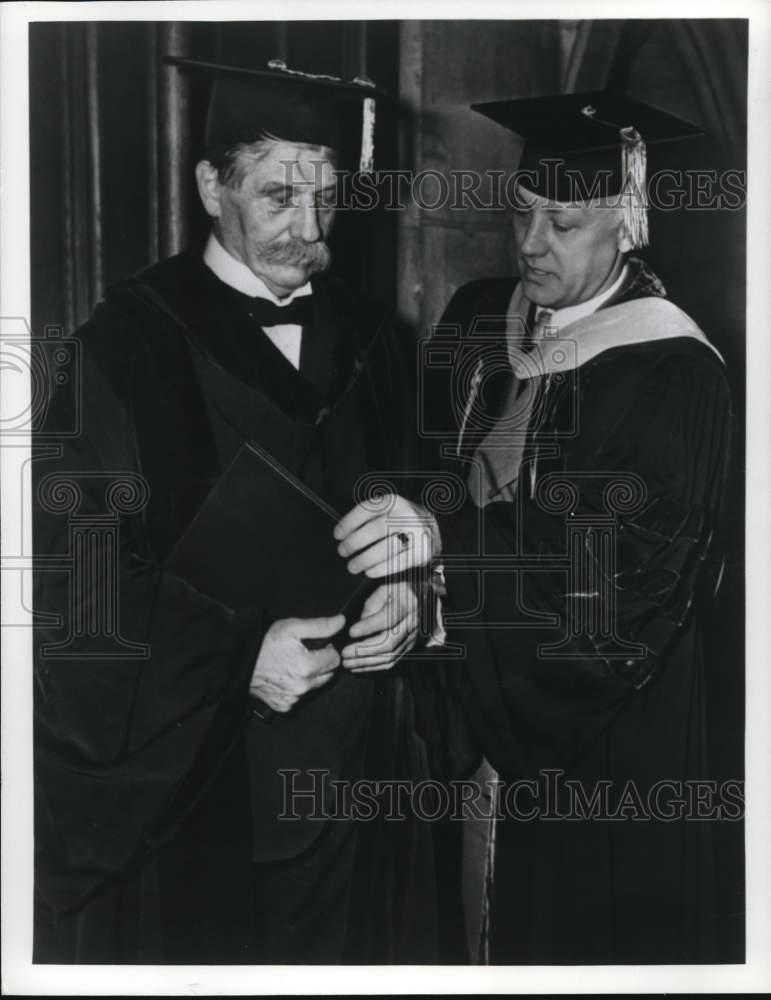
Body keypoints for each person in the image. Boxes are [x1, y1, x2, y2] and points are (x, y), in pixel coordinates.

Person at [32, 58, 438, 964]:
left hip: (359, 786)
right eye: (276, 196)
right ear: (209, 185)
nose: (307, 228)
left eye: (327, 197)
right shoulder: (127, 348)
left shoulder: (379, 345)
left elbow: (424, 507)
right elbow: (77, 585)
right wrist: (237, 659)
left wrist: (420, 589)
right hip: (200, 786)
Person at [335, 91, 735, 964]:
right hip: (469, 688)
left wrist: (443, 550)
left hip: (599, 736)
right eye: (521, 214)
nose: (529, 244)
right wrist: (408, 575)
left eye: (563, 223)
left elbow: (616, 577)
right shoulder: (482, 320)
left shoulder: (672, 372)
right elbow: (426, 473)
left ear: (627, 226)